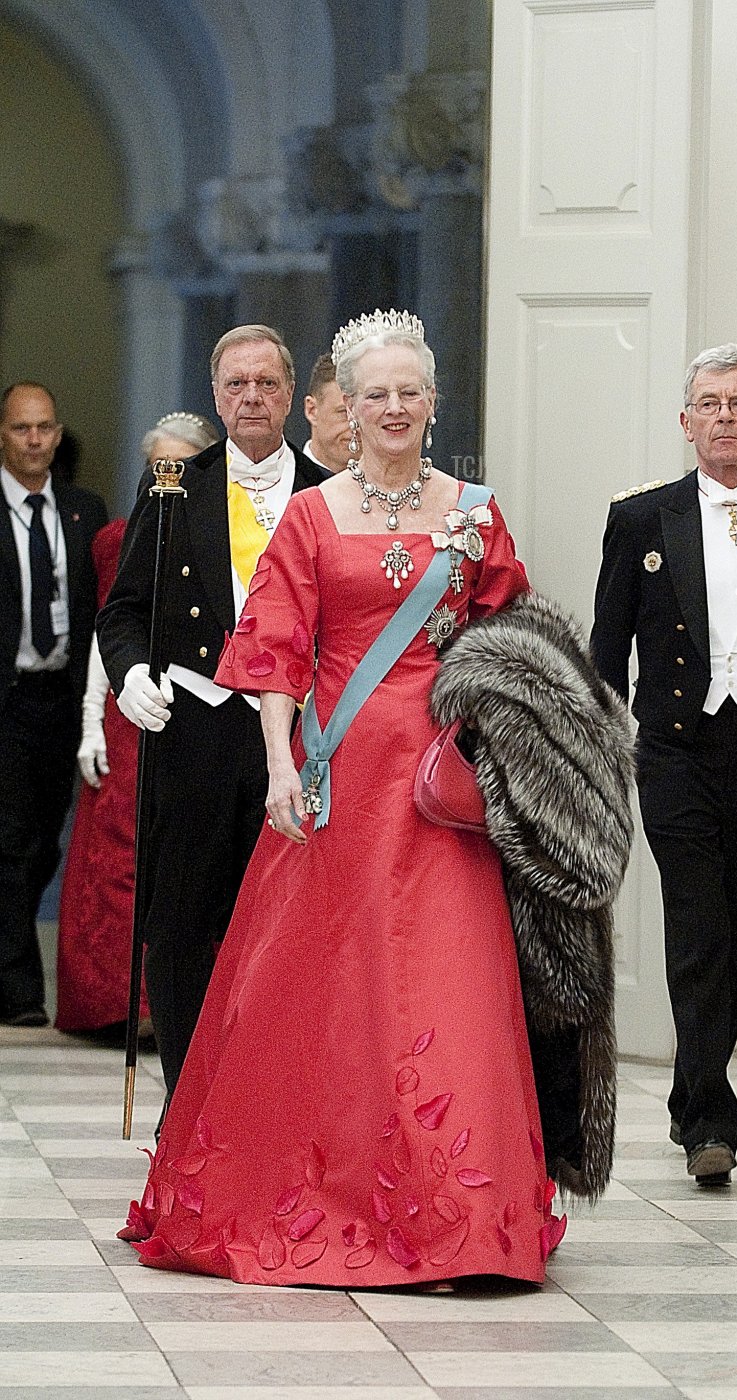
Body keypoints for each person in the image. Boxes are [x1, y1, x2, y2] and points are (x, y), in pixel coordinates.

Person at [118, 308, 564, 1289]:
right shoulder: (314, 516)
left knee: (447, 986)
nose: (394, 407)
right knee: (333, 992)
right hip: (337, 778)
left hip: (441, 786)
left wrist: (505, 737)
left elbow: (512, 641)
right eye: (375, 394)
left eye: (410, 391)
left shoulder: (474, 513)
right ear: (345, 409)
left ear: (433, 402)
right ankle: (334, 1194)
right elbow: (276, 648)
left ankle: (463, 1219)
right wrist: (280, 762)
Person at [96, 329, 327, 1097]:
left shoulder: (328, 492)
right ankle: (188, 1102)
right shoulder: (173, 487)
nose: (251, 397)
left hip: (297, 742)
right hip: (193, 732)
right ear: (216, 394)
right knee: (184, 927)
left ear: (290, 395)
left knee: (289, 930)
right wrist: (130, 674)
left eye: (266, 382)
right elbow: (123, 611)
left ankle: (268, 1103)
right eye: (236, 384)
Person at [591, 344, 737, 1186]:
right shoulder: (643, 519)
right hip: (673, 746)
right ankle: (710, 1119)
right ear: (685, 422)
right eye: (708, 404)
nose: (723, 418)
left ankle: (690, 1087)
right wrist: (602, 752)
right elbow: (608, 646)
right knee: (699, 921)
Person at [56, 413, 221, 1034]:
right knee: (120, 854)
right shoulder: (120, 537)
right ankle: (117, 1004)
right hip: (131, 708)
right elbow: (110, 627)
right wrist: (91, 717)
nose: (167, 478)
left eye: (179, 466)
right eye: (157, 468)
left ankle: (180, 1007)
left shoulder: (228, 532)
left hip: (202, 710)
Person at [0, 383, 107, 1027]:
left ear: (59, 434)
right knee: (12, 842)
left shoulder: (82, 510)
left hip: (63, 696)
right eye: (21, 428)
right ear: (2, 435)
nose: (34, 439)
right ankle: (18, 993)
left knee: (44, 844)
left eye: (44, 427)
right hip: (9, 696)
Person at [301, 352, 353, 472]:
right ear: (312, 410)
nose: (356, 426)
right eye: (344, 413)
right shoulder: (283, 479)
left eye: (364, 412)